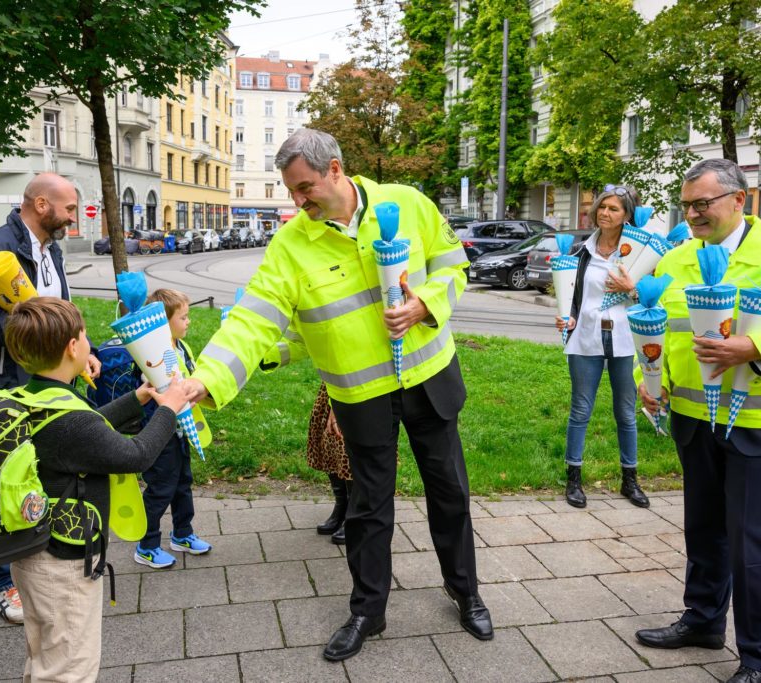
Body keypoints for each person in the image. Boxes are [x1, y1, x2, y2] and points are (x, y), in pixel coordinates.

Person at [181, 128, 492, 662]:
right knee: (369, 509)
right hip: (360, 395)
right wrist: (205, 379)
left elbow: (453, 263)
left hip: (430, 377)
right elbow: (254, 319)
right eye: (291, 192)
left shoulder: (407, 203)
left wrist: (427, 304)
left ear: (336, 170)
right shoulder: (291, 244)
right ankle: (368, 612)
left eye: (304, 187)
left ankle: (466, 592)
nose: (299, 202)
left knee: (451, 494)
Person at [634, 159, 761, 683]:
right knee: (704, 529)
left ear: (739, 200)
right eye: (687, 205)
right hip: (692, 415)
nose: (692, 214)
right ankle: (704, 620)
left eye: (702, 204)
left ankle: (760, 658)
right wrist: (654, 376)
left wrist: (755, 346)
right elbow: (666, 325)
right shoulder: (679, 257)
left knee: (753, 539)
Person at [3, 296, 188, 682]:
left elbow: (88, 427)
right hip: (62, 565)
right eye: (84, 334)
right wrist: (168, 408)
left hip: (31, 552)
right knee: (71, 669)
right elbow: (134, 454)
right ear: (73, 347)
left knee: (45, 655)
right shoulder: (70, 419)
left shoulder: (35, 396)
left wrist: (137, 398)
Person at [0, 172, 101, 624]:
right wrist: (29, 338)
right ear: (41, 204)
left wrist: (82, 349)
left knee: (36, 472)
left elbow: (59, 308)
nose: (74, 217)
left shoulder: (51, 248)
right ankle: (1, 582)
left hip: (48, 379)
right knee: (1, 478)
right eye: (69, 209)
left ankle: (34, 551)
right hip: (2, 380)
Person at [555, 185, 648, 509]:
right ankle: (574, 479)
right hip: (586, 338)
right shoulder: (581, 251)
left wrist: (632, 289)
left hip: (624, 339)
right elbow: (572, 298)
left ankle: (630, 480)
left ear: (627, 215)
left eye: (614, 209)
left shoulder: (638, 252)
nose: (606, 213)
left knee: (626, 412)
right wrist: (567, 318)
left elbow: (652, 299)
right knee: (580, 410)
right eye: (602, 207)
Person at [132, 288, 213, 568]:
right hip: (159, 433)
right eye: (183, 317)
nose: (188, 321)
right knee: (160, 488)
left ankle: (182, 533)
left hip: (180, 430)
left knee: (182, 483)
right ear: (162, 324)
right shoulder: (152, 355)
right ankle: (147, 544)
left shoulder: (180, 346)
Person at [307, 382, 352, 544]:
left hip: (357, 387)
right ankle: (342, 506)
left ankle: (355, 515)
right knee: (326, 434)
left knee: (346, 448)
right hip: (334, 381)